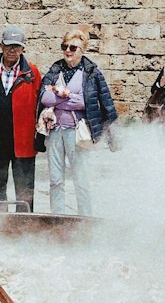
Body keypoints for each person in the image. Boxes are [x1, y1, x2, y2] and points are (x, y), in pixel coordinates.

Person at [37, 25, 117, 216]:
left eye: (73, 48)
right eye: (65, 46)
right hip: (55, 130)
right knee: (56, 180)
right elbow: (44, 98)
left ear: (83, 50)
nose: (67, 51)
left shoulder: (91, 73)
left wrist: (60, 96)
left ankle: (85, 219)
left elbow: (91, 103)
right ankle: (57, 218)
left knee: (81, 179)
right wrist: (72, 99)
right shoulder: (55, 70)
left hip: (77, 131)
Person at [0, 26, 40, 212]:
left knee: (25, 190)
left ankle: (24, 228)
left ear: (23, 49)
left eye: (17, 46)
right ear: (1, 46)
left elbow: (40, 103)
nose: (12, 50)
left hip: (23, 140)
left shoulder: (32, 74)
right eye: (8, 46)